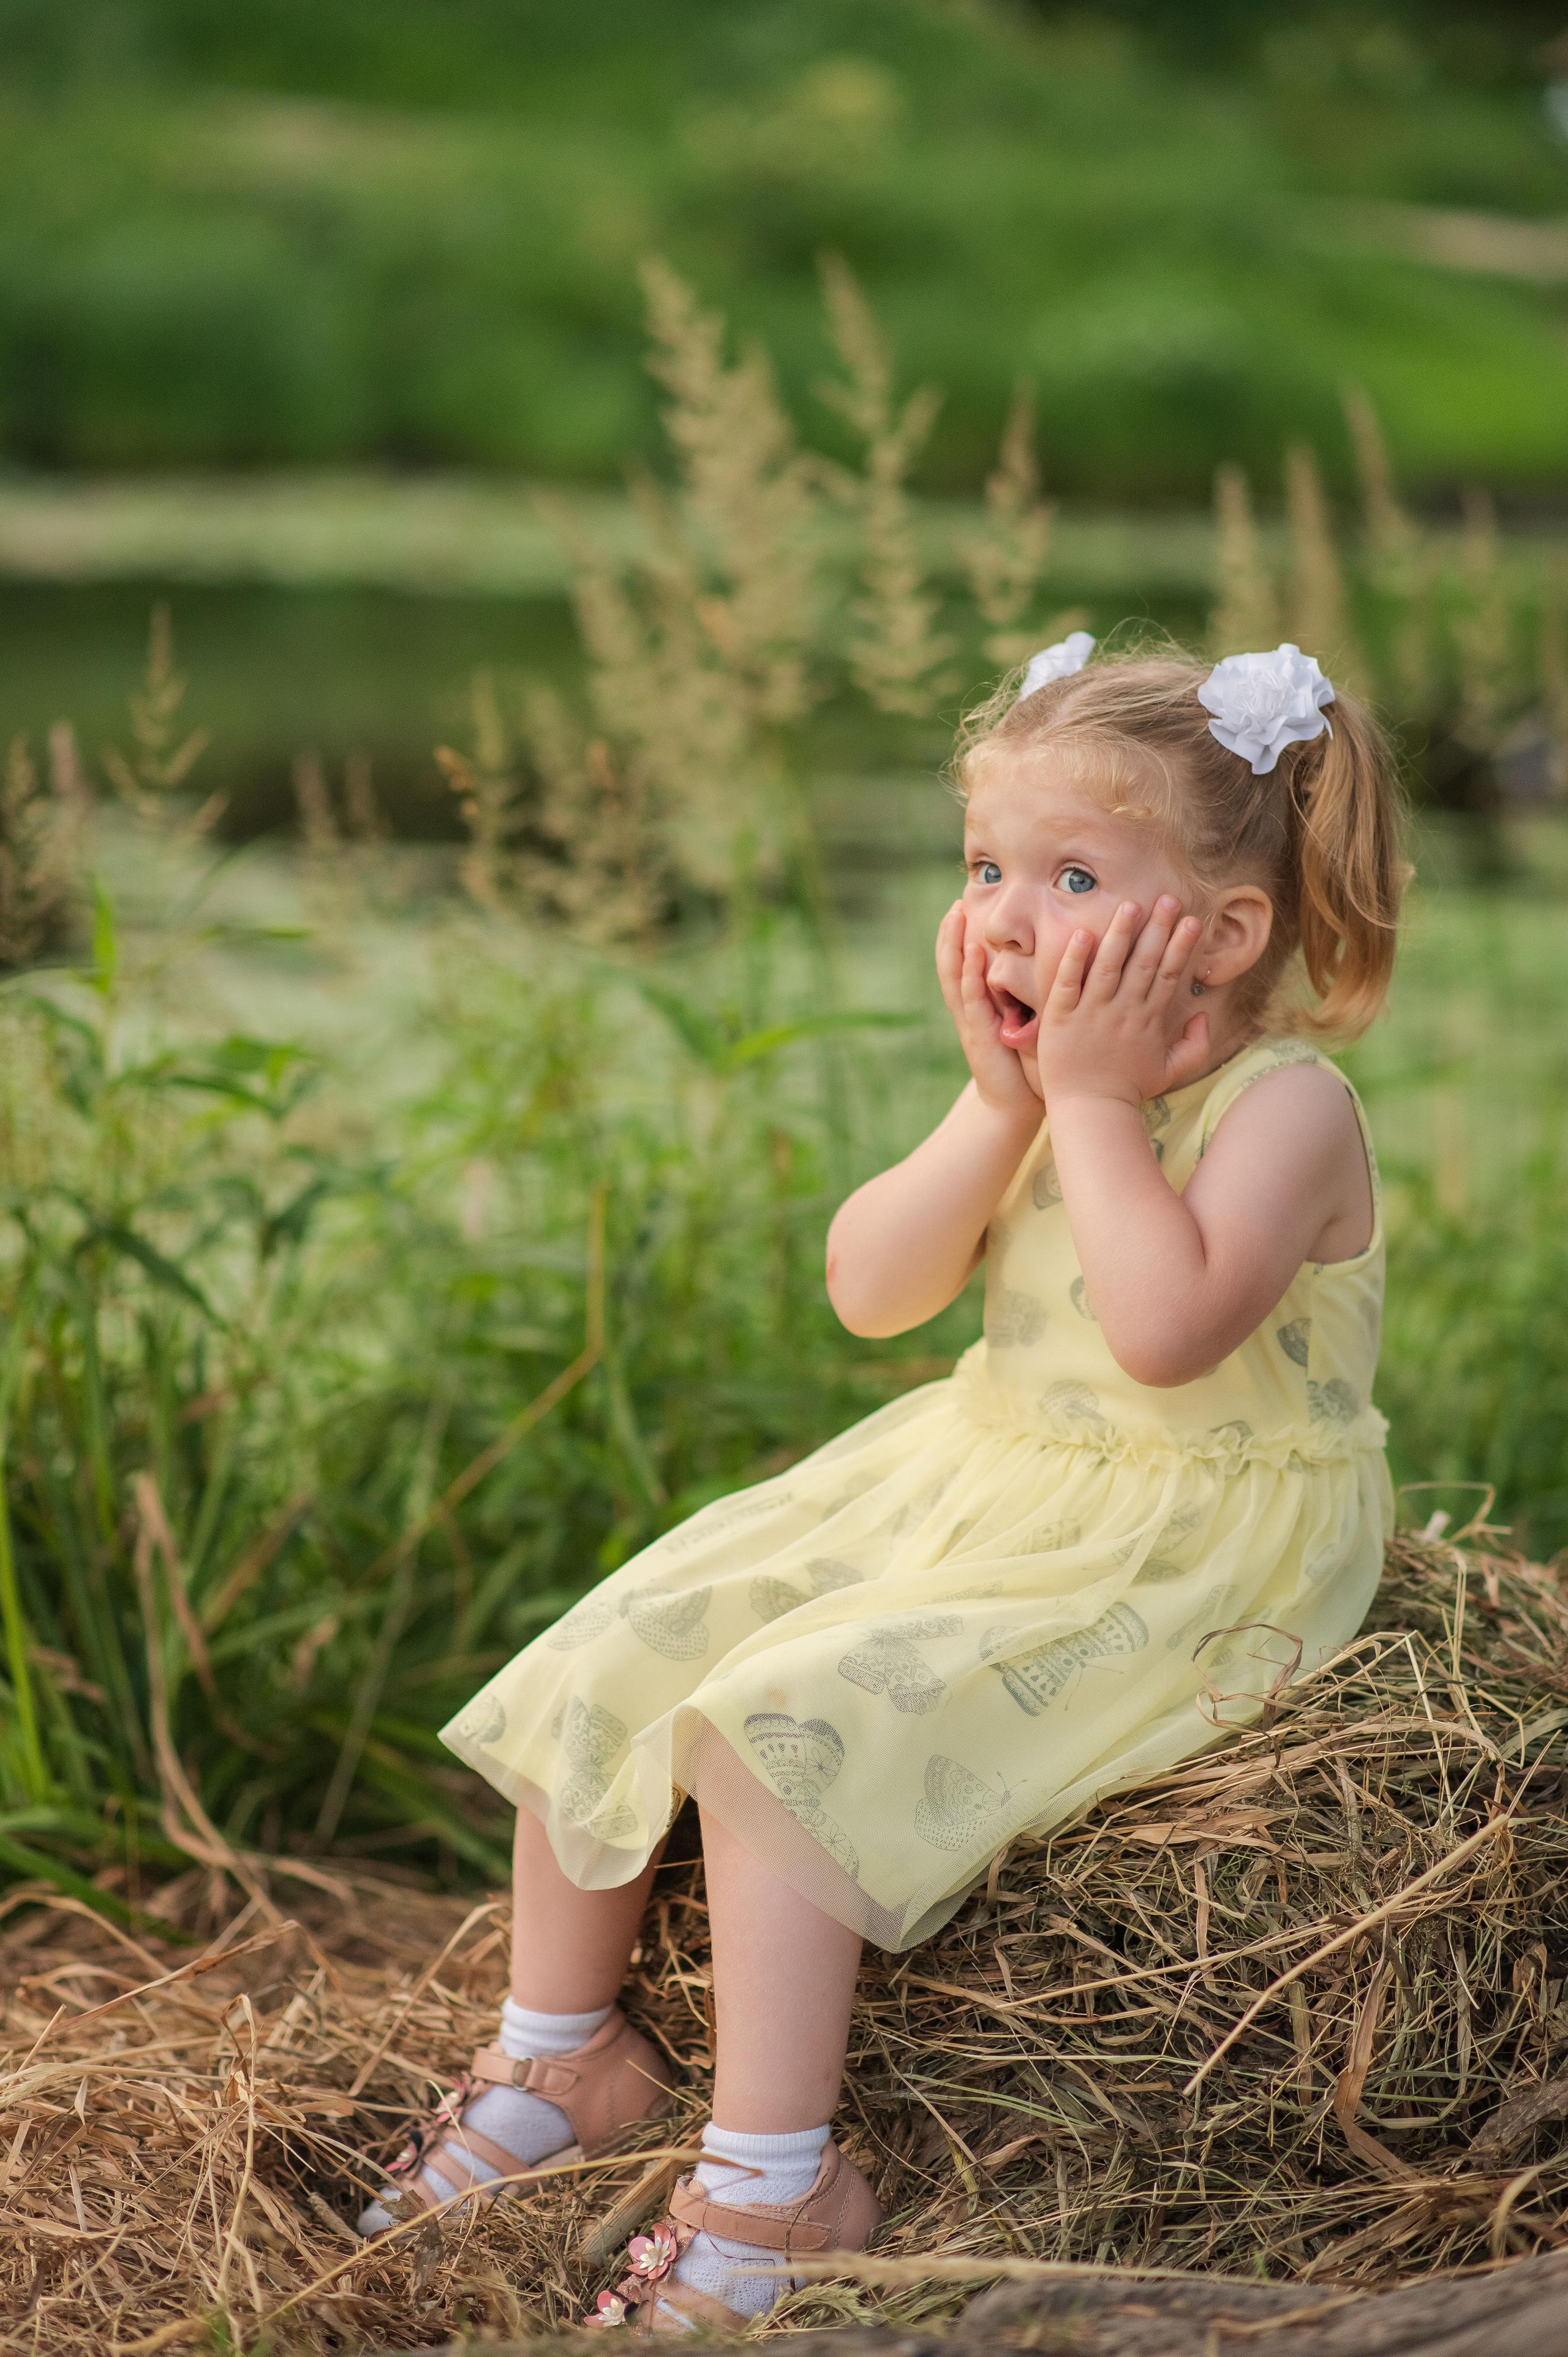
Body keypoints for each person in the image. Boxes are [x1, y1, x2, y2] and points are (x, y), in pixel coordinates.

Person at [363, 637, 1405, 2332]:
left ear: (1218, 934)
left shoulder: (1284, 1111)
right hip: (989, 1469)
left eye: (1069, 876)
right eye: (985, 866)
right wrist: (1005, 1107)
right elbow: (875, 1289)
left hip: (1194, 1536)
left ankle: (781, 2191)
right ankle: (563, 2055)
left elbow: (1157, 1334)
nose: (999, 912)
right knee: (647, 1621)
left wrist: (1082, 1103)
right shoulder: (1041, 1096)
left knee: (791, 1717)